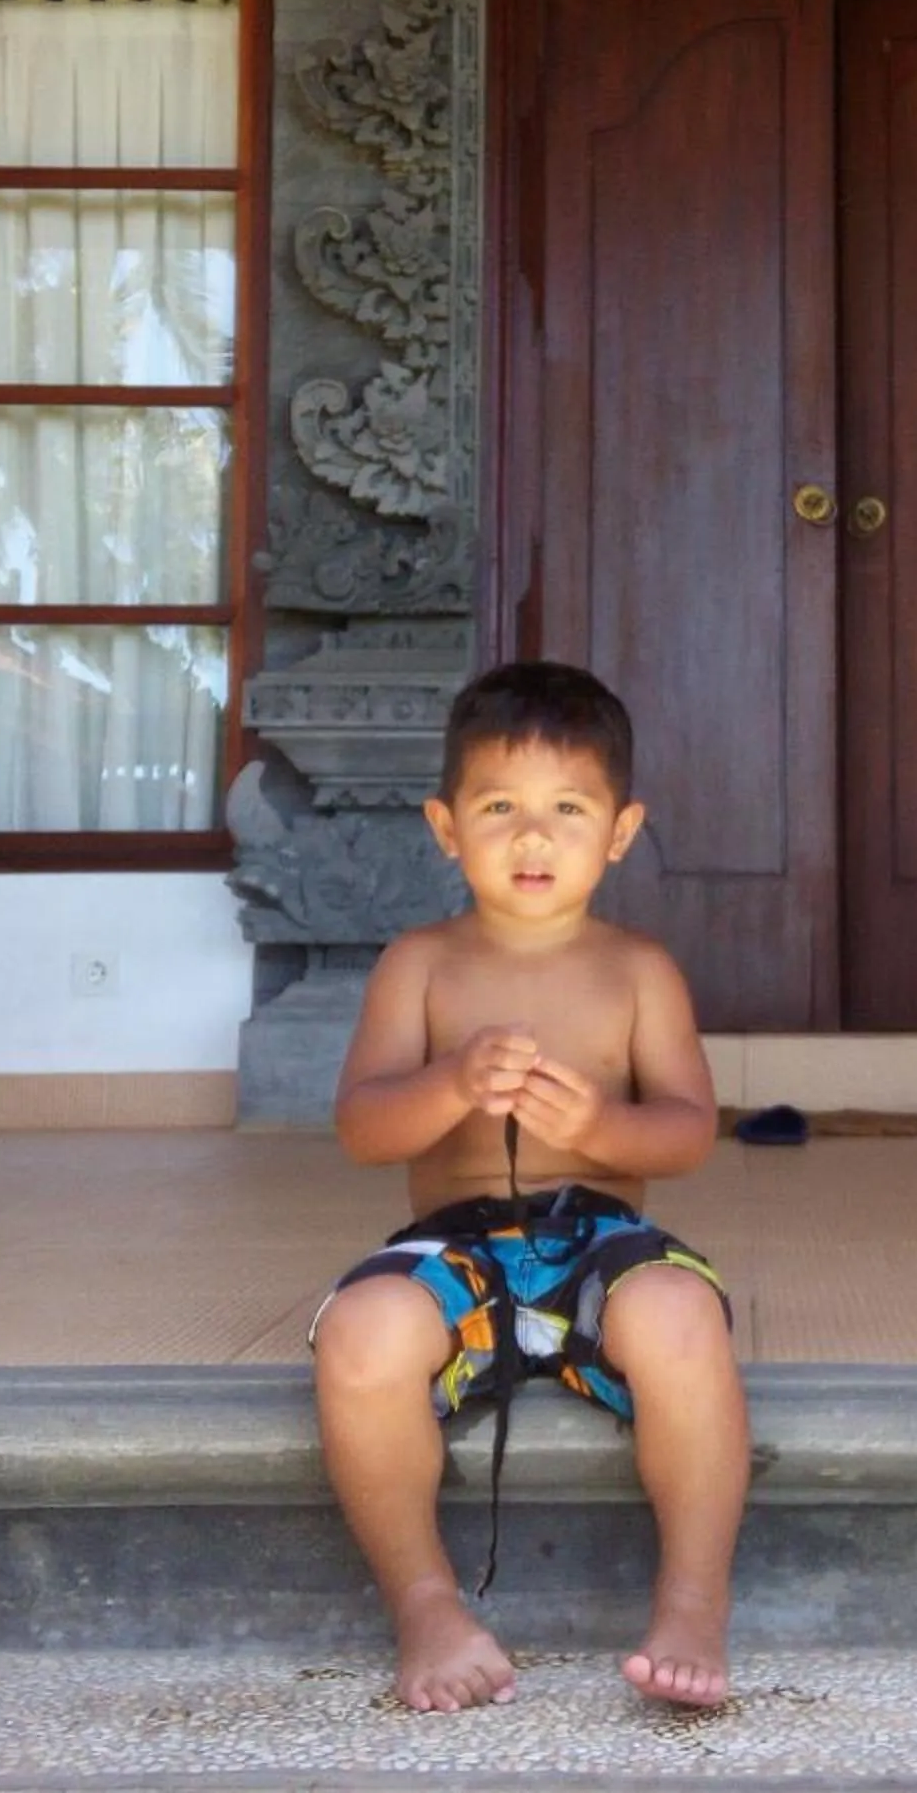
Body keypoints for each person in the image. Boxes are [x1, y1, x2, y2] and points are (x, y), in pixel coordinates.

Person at [308, 659, 746, 1714]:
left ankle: (693, 1598)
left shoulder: (639, 971)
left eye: (568, 809)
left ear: (622, 830)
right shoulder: (419, 963)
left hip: (597, 1236)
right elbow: (363, 1127)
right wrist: (452, 1084)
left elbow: (690, 1129)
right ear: (447, 827)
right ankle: (424, 1604)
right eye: (500, 807)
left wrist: (599, 1124)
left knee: (685, 1314)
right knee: (360, 1334)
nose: (534, 837)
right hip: (452, 1241)